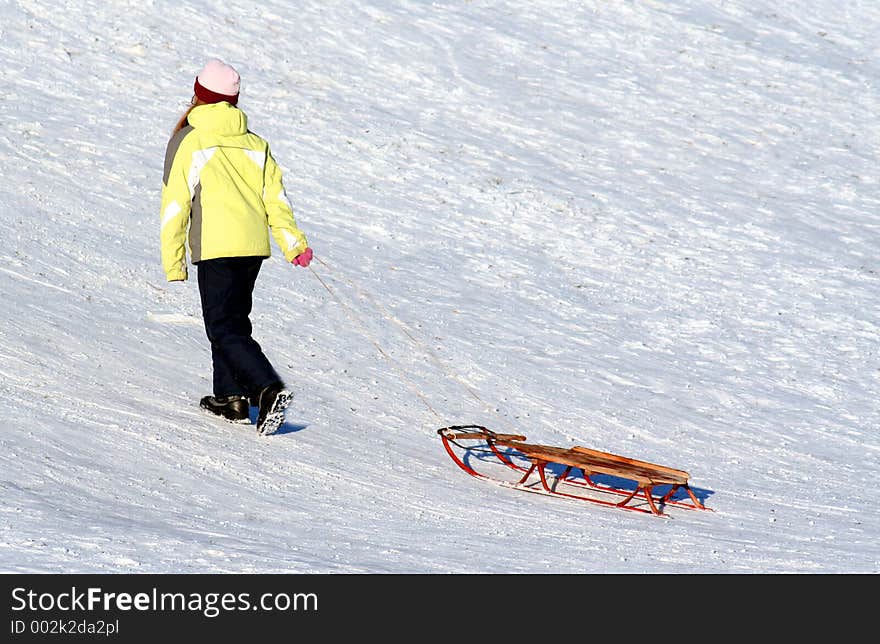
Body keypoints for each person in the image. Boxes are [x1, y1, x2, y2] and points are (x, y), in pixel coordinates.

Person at [160, 58, 313, 435]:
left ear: (198, 95)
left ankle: (267, 386)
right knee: (233, 320)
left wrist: (173, 259)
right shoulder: (255, 143)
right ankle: (230, 398)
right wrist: (292, 244)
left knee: (223, 326)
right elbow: (275, 199)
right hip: (252, 247)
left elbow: (175, 203)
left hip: (216, 244)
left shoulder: (192, 139)